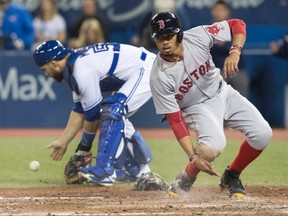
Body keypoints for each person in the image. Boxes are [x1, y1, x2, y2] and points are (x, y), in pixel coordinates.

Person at [149, 12, 272, 198]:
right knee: (211, 148)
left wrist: (235, 51)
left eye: (169, 36)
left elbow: (237, 24)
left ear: (179, 34)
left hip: (223, 92)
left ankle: (231, 175)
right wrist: (193, 157)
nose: (165, 42)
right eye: (159, 38)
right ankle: (185, 177)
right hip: (196, 108)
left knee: (263, 135)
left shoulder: (197, 36)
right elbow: (175, 119)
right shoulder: (158, 75)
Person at [33, 40, 156, 186]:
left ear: (53, 63)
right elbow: (79, 112)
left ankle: (105, 171)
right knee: (116, 115)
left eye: (44, 69)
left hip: (147, 67)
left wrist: (84, 149)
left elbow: (92, 117)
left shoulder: (81, 69)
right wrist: (64, 141)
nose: (46, 74)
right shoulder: (75, 66)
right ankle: (140, 172)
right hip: (139, 68)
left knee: (113, 110)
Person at [210, 0, 250, 98]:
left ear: (227, 12)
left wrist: (232, 51)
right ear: (212, 11)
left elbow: (238, 44)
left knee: (241, 100)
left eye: (221, 10)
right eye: (216, 10)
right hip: (217, 70)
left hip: (238, 70)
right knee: (217, 101)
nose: (219, 13)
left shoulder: (236, 28)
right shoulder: (207, 29)